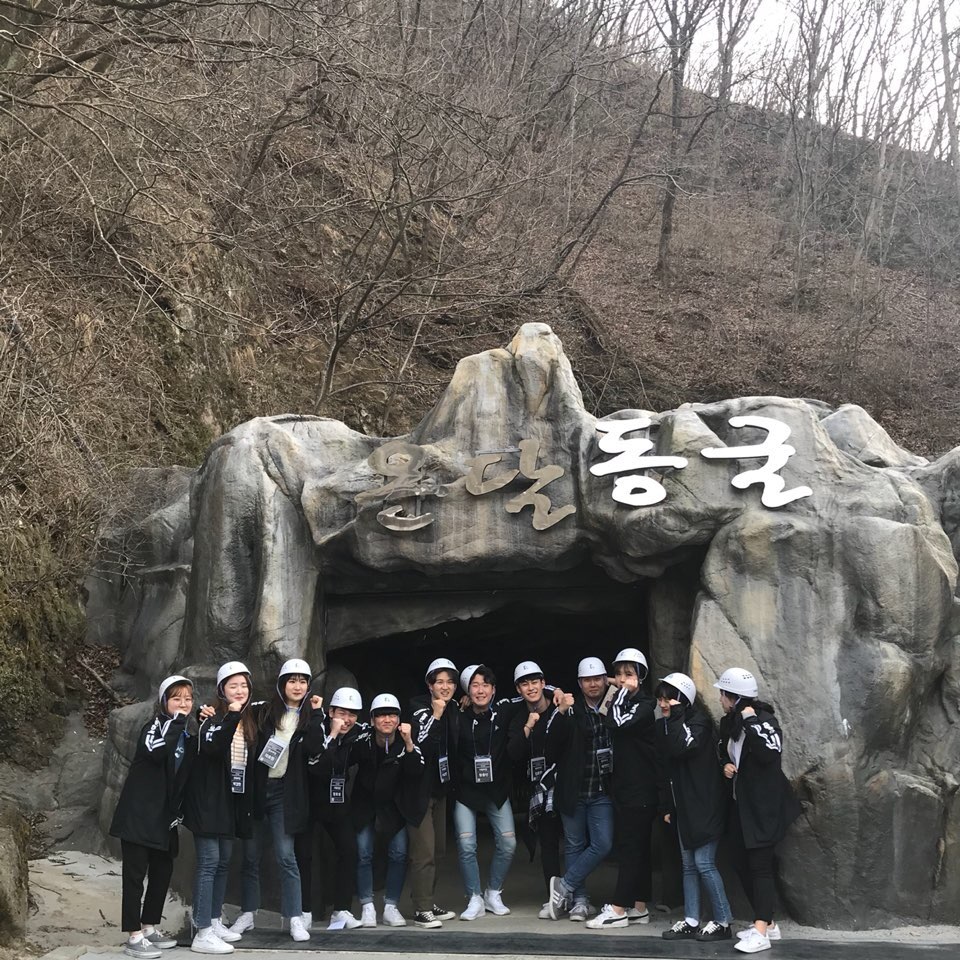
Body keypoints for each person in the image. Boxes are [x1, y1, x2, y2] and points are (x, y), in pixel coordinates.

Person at [227, 659, 324, 942]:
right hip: (257, 790)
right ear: (282, 684)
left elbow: (316, 748)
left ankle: (294, 917)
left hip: (285, 793)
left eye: (303, 681)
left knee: (286, 856)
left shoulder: (310, 716)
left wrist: (318, 714)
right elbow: (234, 715)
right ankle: (248, 913)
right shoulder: (263, 710)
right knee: (250, 857)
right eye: (292, 680)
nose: (298, 686)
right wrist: (203, 714)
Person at [110, 675, 199, 958]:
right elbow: (156, 753)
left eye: (188, 699)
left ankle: (148, 927)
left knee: (162, 873)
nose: (183, 704)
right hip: (138, 815)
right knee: (134, 877)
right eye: (176, 699)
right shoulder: (154, 727)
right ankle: (133, 935)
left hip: (164, 819)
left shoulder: (187, 735)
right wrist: (177, 723)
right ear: (163, 702)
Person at [716, 668, 801, 955]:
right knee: (739, 859)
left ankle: (761, 930)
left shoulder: (764, 720)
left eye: (723, 695)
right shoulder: (729, 723)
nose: (720, 699)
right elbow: (724, 750)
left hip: (765, 807)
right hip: (741, 806)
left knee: (760, 866)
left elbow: (770, 753)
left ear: (735, 698)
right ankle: (768, 922)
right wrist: (725, 765)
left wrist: (751, 721)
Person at [183, 661, 258, 955]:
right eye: (232, 686)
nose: (239, 691)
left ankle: (213, 921)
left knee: (223, 860)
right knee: (209, 862)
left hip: (230, 801)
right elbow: (213, 748)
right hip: (207, 801)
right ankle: (202, 930)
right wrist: (231, 715)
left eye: (244, 685)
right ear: (221, 690)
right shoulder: (212, 718)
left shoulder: (249, 719)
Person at [654, 672, 733, 942]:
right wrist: (666, 805)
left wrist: (676, 716)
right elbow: (665, 767)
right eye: (661, 699)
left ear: (683, 700)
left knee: (704, 863)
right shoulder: (666, 725)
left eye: (669, 699)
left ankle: (723, 921)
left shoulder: (699, 722)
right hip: (684, 806)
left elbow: (683, 747)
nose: (663, 704)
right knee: (688, 864)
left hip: (706, 804)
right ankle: (691, 919)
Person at [586, 647, 660, 930]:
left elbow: (615, 722)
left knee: (631, 848)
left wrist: (618, 693)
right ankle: (639, 906)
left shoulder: (645, 705)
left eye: (628, 673)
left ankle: (618, 909)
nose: (622, 679)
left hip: (641, 788)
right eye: (618, 673)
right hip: (626, 786)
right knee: (637, 847)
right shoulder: (626, 701)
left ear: (641, 676)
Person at [546, 656, 615, 922]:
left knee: (603, 844)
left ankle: (564, 885)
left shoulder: (614, 704)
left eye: (598, 678)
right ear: (579, 683)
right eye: (587, 680)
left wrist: (614, 683)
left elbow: (633, 694)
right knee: (574, 845)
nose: (593, 684)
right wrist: (561, 711)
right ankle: (580, 902)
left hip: (602, 789)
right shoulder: (570, 708)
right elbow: (551, 745)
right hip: (573, 788)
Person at [353, 693, 424, 927]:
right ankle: (367, 906)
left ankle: (391, 906)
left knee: (399, 854)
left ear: (399, 719)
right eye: (381, 715)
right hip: (365, 805)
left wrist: (409, 742)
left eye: (392, 715)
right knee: (363, 853)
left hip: (394, 807)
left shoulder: (405, 742)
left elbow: (416, 770)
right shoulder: (362, 740)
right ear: (372, 719)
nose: (387, 720)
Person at [452, 664, 517, 920]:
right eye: (475, 686)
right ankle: (474, 898)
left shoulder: (503, 711)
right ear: (467, 690)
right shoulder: (458, 716)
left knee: (508, 843)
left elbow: (531, 693)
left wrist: (554, 691)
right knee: (466, 844)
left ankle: (493, 892)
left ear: (493, 690)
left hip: (496, 791)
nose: (480, 691)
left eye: (485, 685)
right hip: (466, 791)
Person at [297, 686, 365, 929]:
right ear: (331, 711)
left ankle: (341, 909)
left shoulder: (357, 733)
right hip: (309, 799)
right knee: (304, 854)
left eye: (352, 714)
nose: (347, 720)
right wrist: (333, 735)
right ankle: (303, 910)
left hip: (336, 801)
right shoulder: (317, 727)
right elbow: (317, 765)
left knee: (349, 849)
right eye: (342, 713)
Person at [407, 657, 460, 928]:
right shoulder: (419, 708)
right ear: (429, 685)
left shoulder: (453, 708)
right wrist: (436, 715)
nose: (445, 686)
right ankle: (421, 910)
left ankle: (427, 901)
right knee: (424, 852)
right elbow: (423, 745)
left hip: (440, 790)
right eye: (439, 682)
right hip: (419, 793)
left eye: (450, 682)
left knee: (438, 851)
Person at [506, 660, 561, 920]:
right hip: (539, 789)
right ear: (518, 689)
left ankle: (577, 895)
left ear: (543, 683)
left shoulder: (560, 707)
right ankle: (553, 897)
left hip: (564, 783)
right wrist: (528, 726)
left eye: (535, 682)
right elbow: (513, 753)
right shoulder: (518, 716)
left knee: (575, 841)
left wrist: (556, 691)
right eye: (525, 684)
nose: (531, 688)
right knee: (548, 844)